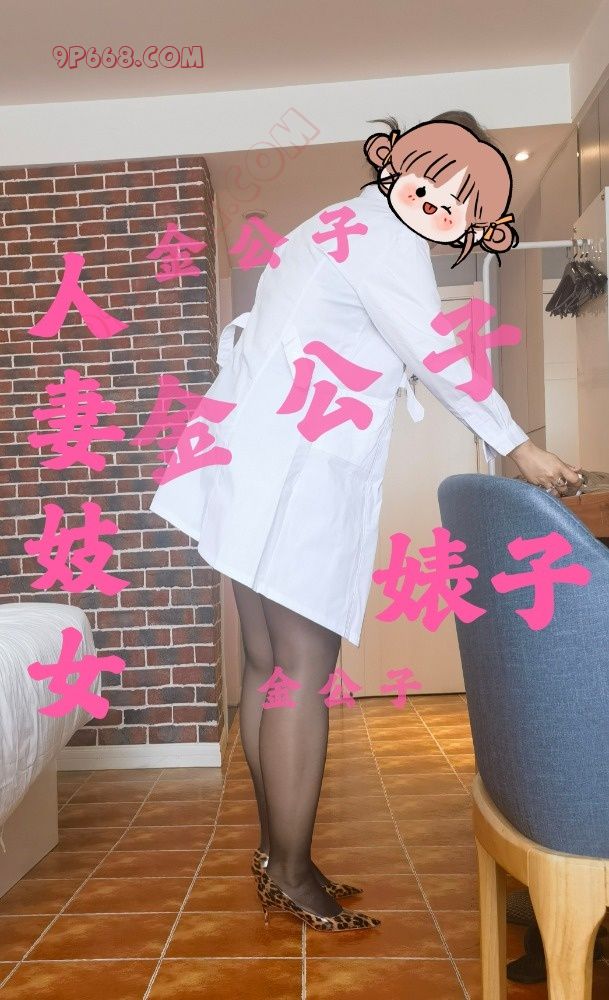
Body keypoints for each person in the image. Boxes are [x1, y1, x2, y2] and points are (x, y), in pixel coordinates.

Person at [149, 109, 582, 933]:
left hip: (246, 461)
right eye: (437, 188)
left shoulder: (332, 223)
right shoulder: (384, 239)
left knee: (268, 665)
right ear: (397, 164)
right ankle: (289, 870)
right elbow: (434, 349)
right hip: (293, 472)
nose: (441, 210)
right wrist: (518, 445)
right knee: (300, 670)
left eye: (460, 205)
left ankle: (278, 857)